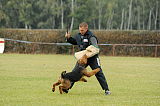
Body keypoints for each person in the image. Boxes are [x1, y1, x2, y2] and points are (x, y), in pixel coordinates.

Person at [64, 22, 111, 95]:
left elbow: (95, 46)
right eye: (80, 30)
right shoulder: (78, 35)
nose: (81, 32)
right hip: (83, 58)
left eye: (82, 30)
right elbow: (75, 42)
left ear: (86, 28)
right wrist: (68, 38)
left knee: (99, 72)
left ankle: (106, 90)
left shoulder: (91, 36)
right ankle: (67, 88)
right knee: (75, 73)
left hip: (93, 58)